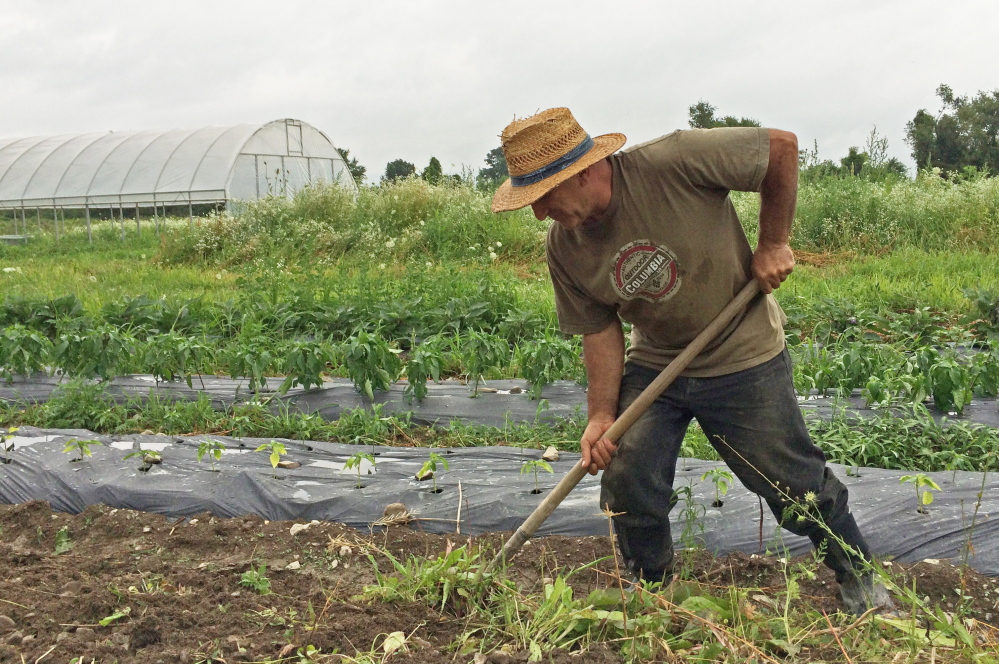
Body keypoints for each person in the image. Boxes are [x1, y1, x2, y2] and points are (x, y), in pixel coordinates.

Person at [490, 107, 892, 615]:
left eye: (544, 197)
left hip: (741, 350)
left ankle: (859, 575)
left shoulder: (674, 161)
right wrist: (600, 415)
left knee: (791, 481)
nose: (540, 214)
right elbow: (600, 330)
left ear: (584, 171)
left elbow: (781, 150)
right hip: (657, 360)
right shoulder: (565, 246)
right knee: (627, 469)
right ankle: (649, 587)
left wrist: (773, 242)